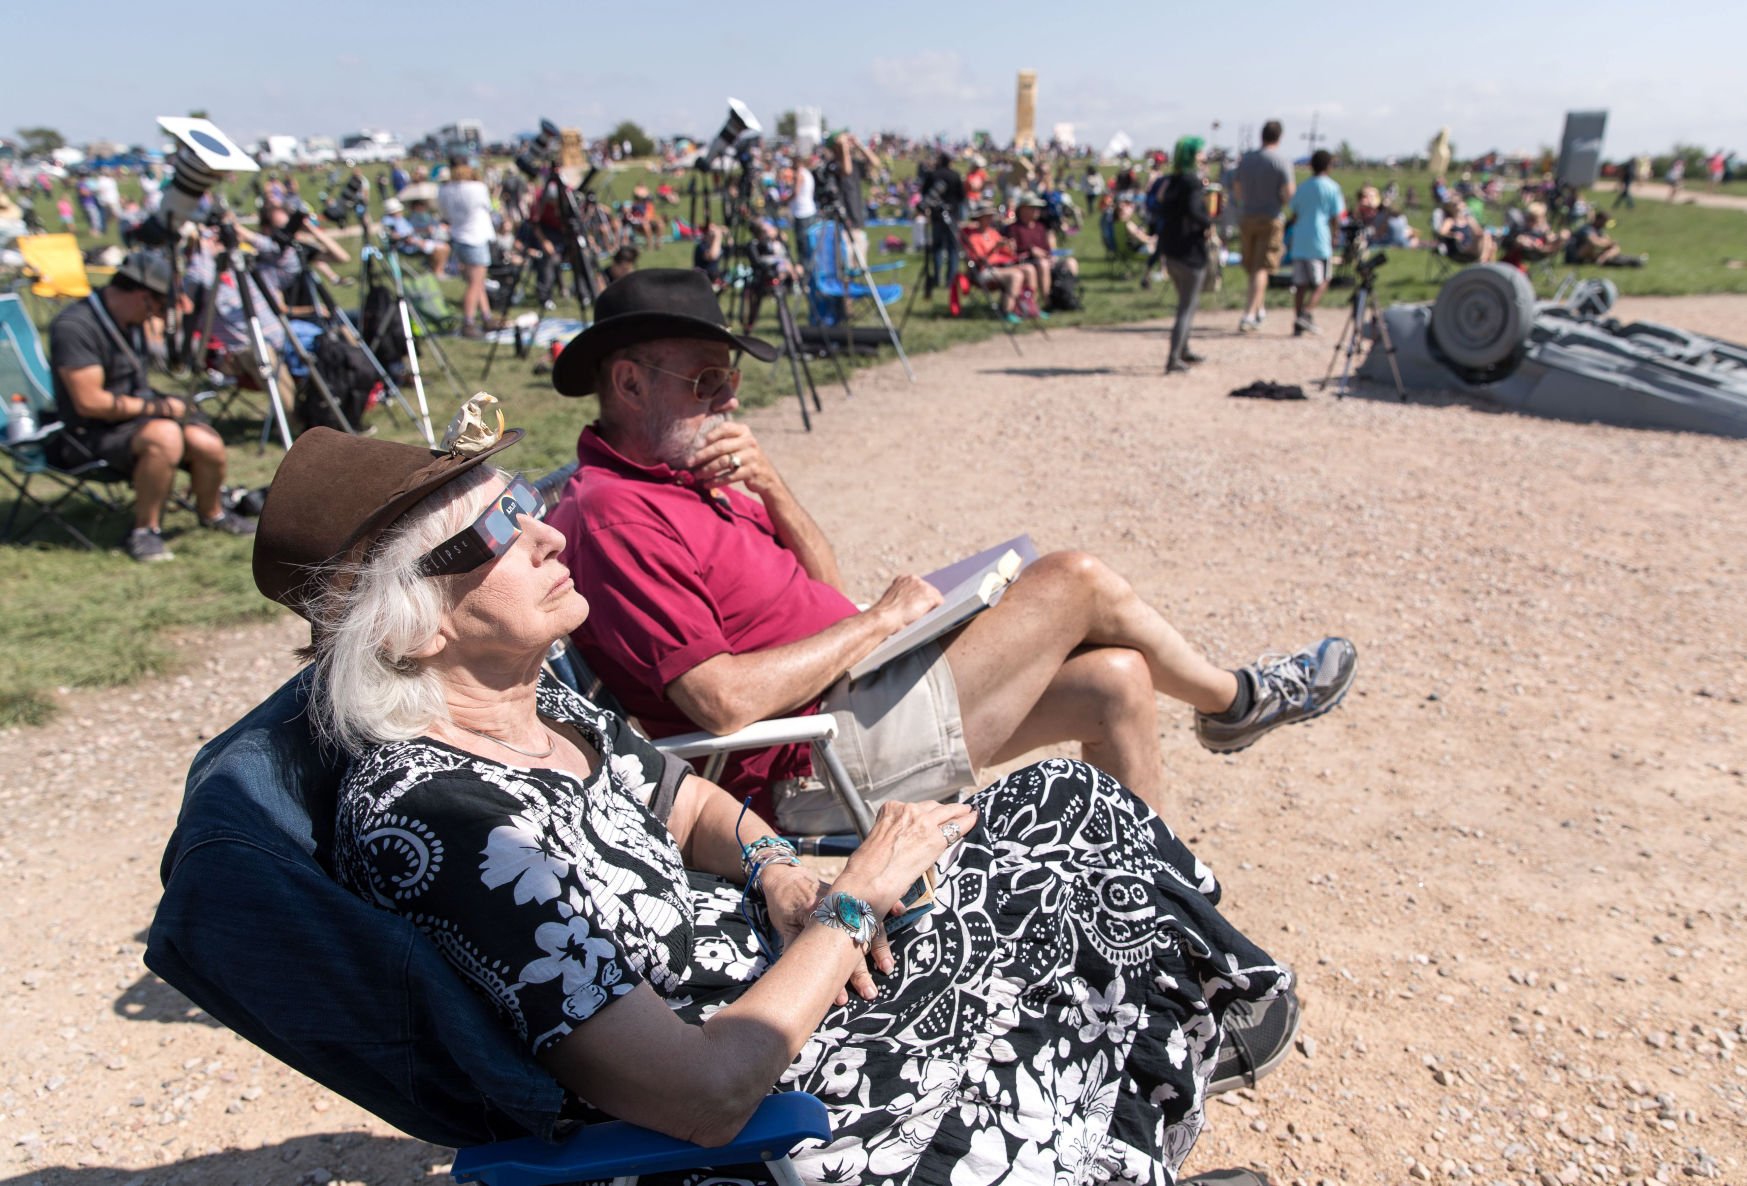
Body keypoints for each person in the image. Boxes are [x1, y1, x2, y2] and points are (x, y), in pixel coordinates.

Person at [251, 409, 1294, 1186]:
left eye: (523, 501)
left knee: (1066, 800)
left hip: (791, 968)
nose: (545, 534)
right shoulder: (439, 821)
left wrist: (780, 870)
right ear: (413, 627)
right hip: (781, 1088)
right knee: (1039, 897)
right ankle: (1114, 1123)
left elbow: (685, 804)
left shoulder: (538, 710)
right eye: (492, 534)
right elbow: (703, 1093)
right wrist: (853, 903)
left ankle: (1143, 1086)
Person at [546, 269, 1358, 835]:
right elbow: (719, 702)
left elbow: (824, 588)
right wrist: (882, 622)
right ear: (626, 383)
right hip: (804, 764)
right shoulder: (617, 513)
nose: (728, 401)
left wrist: (774, 489)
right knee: (1074, 580)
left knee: (1117, 680)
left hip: (850, 709)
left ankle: (1148, 922)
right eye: (706, 383)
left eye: (730, 381)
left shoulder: (689, 475)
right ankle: (1235, 703)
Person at [46, 251, 254, 562]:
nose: (157, 317)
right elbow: (89, 403)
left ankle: (213, 513)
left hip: (136, 421)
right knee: (165, 435)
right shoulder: (75, 327)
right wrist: (160, 408)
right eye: (157, 307)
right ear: (142, 296)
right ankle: (145, 531)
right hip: (87, 435)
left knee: (207, 442)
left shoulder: (127, 320)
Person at [1156, 137, 1213, 375]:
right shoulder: (1191, 182)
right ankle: (1173, 358)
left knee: (1185, 302)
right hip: (1190, 250)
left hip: (1170, 248)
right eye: (1200, 152)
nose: (1203, 156)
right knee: (1187, 306)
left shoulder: (1171, 181)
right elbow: (1193, 209)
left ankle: (1184, 349)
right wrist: (1208, 221)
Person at [1231, 120, 1294, 334]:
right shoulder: (1281, 161)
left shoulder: (1246, 159)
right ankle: (1249, 314)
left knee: (1253, 266)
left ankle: (1259, 308)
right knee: (1262, 267)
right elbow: (1289, 194)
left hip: (1247, 216)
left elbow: (1237, 190)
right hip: (1270, 218)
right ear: (1279, 137)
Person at [1286, 150, 1344, 337]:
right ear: (1329, 166)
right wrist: (1335, 235)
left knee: (1300, 283)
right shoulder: (1332, 187)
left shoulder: (1302, 187)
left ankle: (1297, 319)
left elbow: (1294, 213)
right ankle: (1307, 312)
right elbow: (1336, 216)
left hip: (1300, 237)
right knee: (1323, 280)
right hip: (1319, 238)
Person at [440, 162, 496, 338]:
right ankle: (469, 321)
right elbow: (489, 206)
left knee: (477, 281)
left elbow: (445, 214)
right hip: (475, 237)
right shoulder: (476, 188)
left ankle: (487, 317)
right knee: (475, 283)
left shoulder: (446, 189)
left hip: (459, 237)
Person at [960, 203, 1041, 322]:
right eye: (986, 216)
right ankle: (1007, 310)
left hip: (1001, 267)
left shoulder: (993, 233)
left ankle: (1030, 306)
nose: (989, 219)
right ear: (979, 218)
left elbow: (1008, 255)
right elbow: (979, 260)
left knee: (1030, 269)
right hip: (983, 271)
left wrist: (1009, 247)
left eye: (990, 216)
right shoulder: (972, 237)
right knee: (1016, 275)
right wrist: (994, 248)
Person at [1002, 193, 1064, 310]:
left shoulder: (1040, 227)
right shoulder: (1013, 228)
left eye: (1037, 208)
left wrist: (1048, 254)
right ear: (1023, 209)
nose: (1037, 211)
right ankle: (1046, 302)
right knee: (1043, 264)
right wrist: (1031, 250)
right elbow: (1013, 250)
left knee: (1070, 263)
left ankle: (1066, 298)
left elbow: (1046, 248)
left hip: (1043, 259)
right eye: (1033, 207)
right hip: (1025, 261)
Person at [919, 151, 965, 294]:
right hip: (952, 216)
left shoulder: (933, 175)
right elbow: (962, 196)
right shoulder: (955, 175)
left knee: (937, 248)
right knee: (952, 248)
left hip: (937, 216)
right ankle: (950, 279)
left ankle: (937, 277)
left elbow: (925, 193)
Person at [381, 196, 452, 277]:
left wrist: (423, 230)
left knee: (445, 247)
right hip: (409, 246)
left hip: (416, 241)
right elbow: (396, 236)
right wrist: (417, 241)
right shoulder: (389, 222)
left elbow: (411, 230)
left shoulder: (400, 219)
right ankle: (437, 271)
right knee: (442, 249)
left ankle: (437, 269)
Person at [1433, 198, 1496, 264]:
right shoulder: (1451, 221)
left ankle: (1484, 263)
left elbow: (1478, 232)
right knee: (1490, 244)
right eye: (1457, 204)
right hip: (1460, 249)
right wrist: (1453, 234)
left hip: (1471, 246)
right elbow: (1441, 233)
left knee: (1491, 243)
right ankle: (1485, 265)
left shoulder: (1468, 219)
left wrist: (1471, 220)